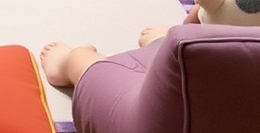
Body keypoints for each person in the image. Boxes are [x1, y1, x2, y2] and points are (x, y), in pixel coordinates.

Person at [39, 9, 201, 90]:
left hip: (137, 128)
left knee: (84, 61)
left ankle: (65, 64)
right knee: (182, 56)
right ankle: (162, 43)